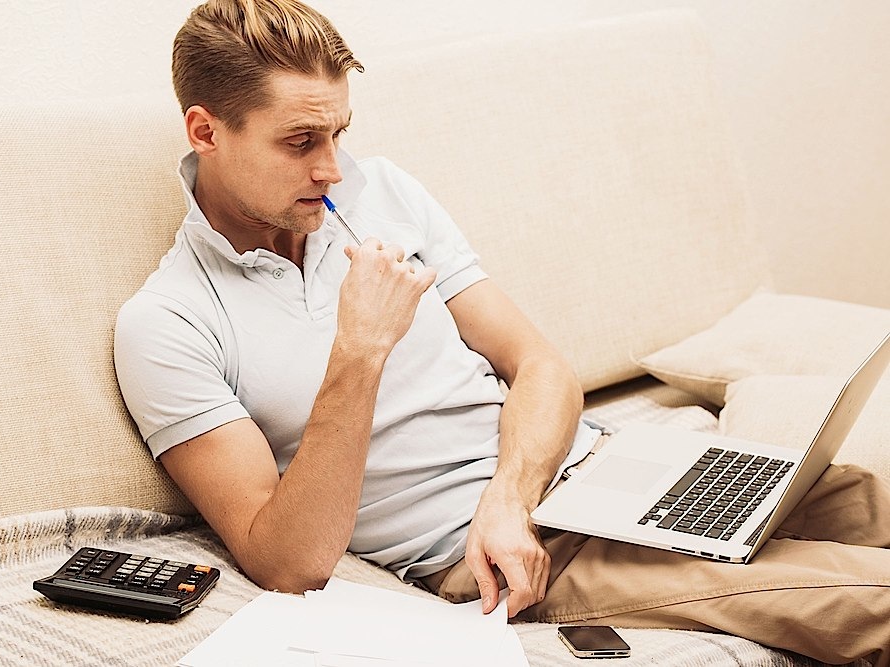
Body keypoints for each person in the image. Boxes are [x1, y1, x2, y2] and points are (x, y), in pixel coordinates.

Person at [114, 1, 890, 663]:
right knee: (868, 602)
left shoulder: (384, 190)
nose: (334, 169)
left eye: (339, 134)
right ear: (206, 131)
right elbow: (287, 560)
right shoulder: (169, 324)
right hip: (518, 556)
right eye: (300, 142)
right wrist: (361, 350)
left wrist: (510, 494)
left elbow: (541, 365)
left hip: (593, 473)